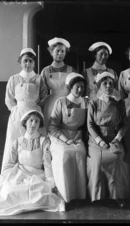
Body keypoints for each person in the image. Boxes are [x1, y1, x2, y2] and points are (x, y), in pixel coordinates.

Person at [0, 110, 65, 216]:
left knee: (39, 192)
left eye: (37, 121)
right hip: (19, 173)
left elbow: (47, 164)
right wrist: (5, 177)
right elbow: (10, 162)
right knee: (8, 190)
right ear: (25, 122)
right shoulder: (17, 141)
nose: (33, 124)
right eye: (31, 120)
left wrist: (50, 182)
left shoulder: (43, 141)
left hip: (36, 175)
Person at [87, 71, 130, 207]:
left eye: (110, 83)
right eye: (104, 83)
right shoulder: (93, 103)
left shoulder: (119, 103)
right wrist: (99, 140)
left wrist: (118, 137)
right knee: (98, 160)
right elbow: (90, 124)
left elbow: (124, 123)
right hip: (96, 139)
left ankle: (117, 196)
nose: (108, 86)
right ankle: (98, 196)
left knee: (117, 159)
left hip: (114, 137)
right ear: (99, 85)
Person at [2, 48, 48, 173]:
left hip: (34, 115)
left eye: (31, 61)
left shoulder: (39, 79)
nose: (28, 64)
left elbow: (44, 96)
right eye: (25, 61)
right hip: (17, 116)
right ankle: (11, 173)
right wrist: (16, 111)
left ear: (34, 63)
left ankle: (34, 171)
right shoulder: (14, 79)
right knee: (14, 142)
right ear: (20, 62)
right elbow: (9, 99)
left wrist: (35, 106)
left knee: (34, 144)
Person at [48, 73, 88, 203]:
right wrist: (65, 140)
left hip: (77, 136)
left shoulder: (86, 102)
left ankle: (79, 194)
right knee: (65, 153)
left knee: (80, 153)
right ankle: (65, 195)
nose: (80, 90)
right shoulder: (61, 102)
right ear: (71, 87)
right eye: (77, 87)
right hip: (60, 137)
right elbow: (52, 126)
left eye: (82, 87)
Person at [41, 37, 76, 126]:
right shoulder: (46, 70)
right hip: (51, 104)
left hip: (67, 103)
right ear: (51, 52)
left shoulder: (71, 70)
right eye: (57, 51)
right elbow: (41, 91)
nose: (60, 53)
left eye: (62, 51)